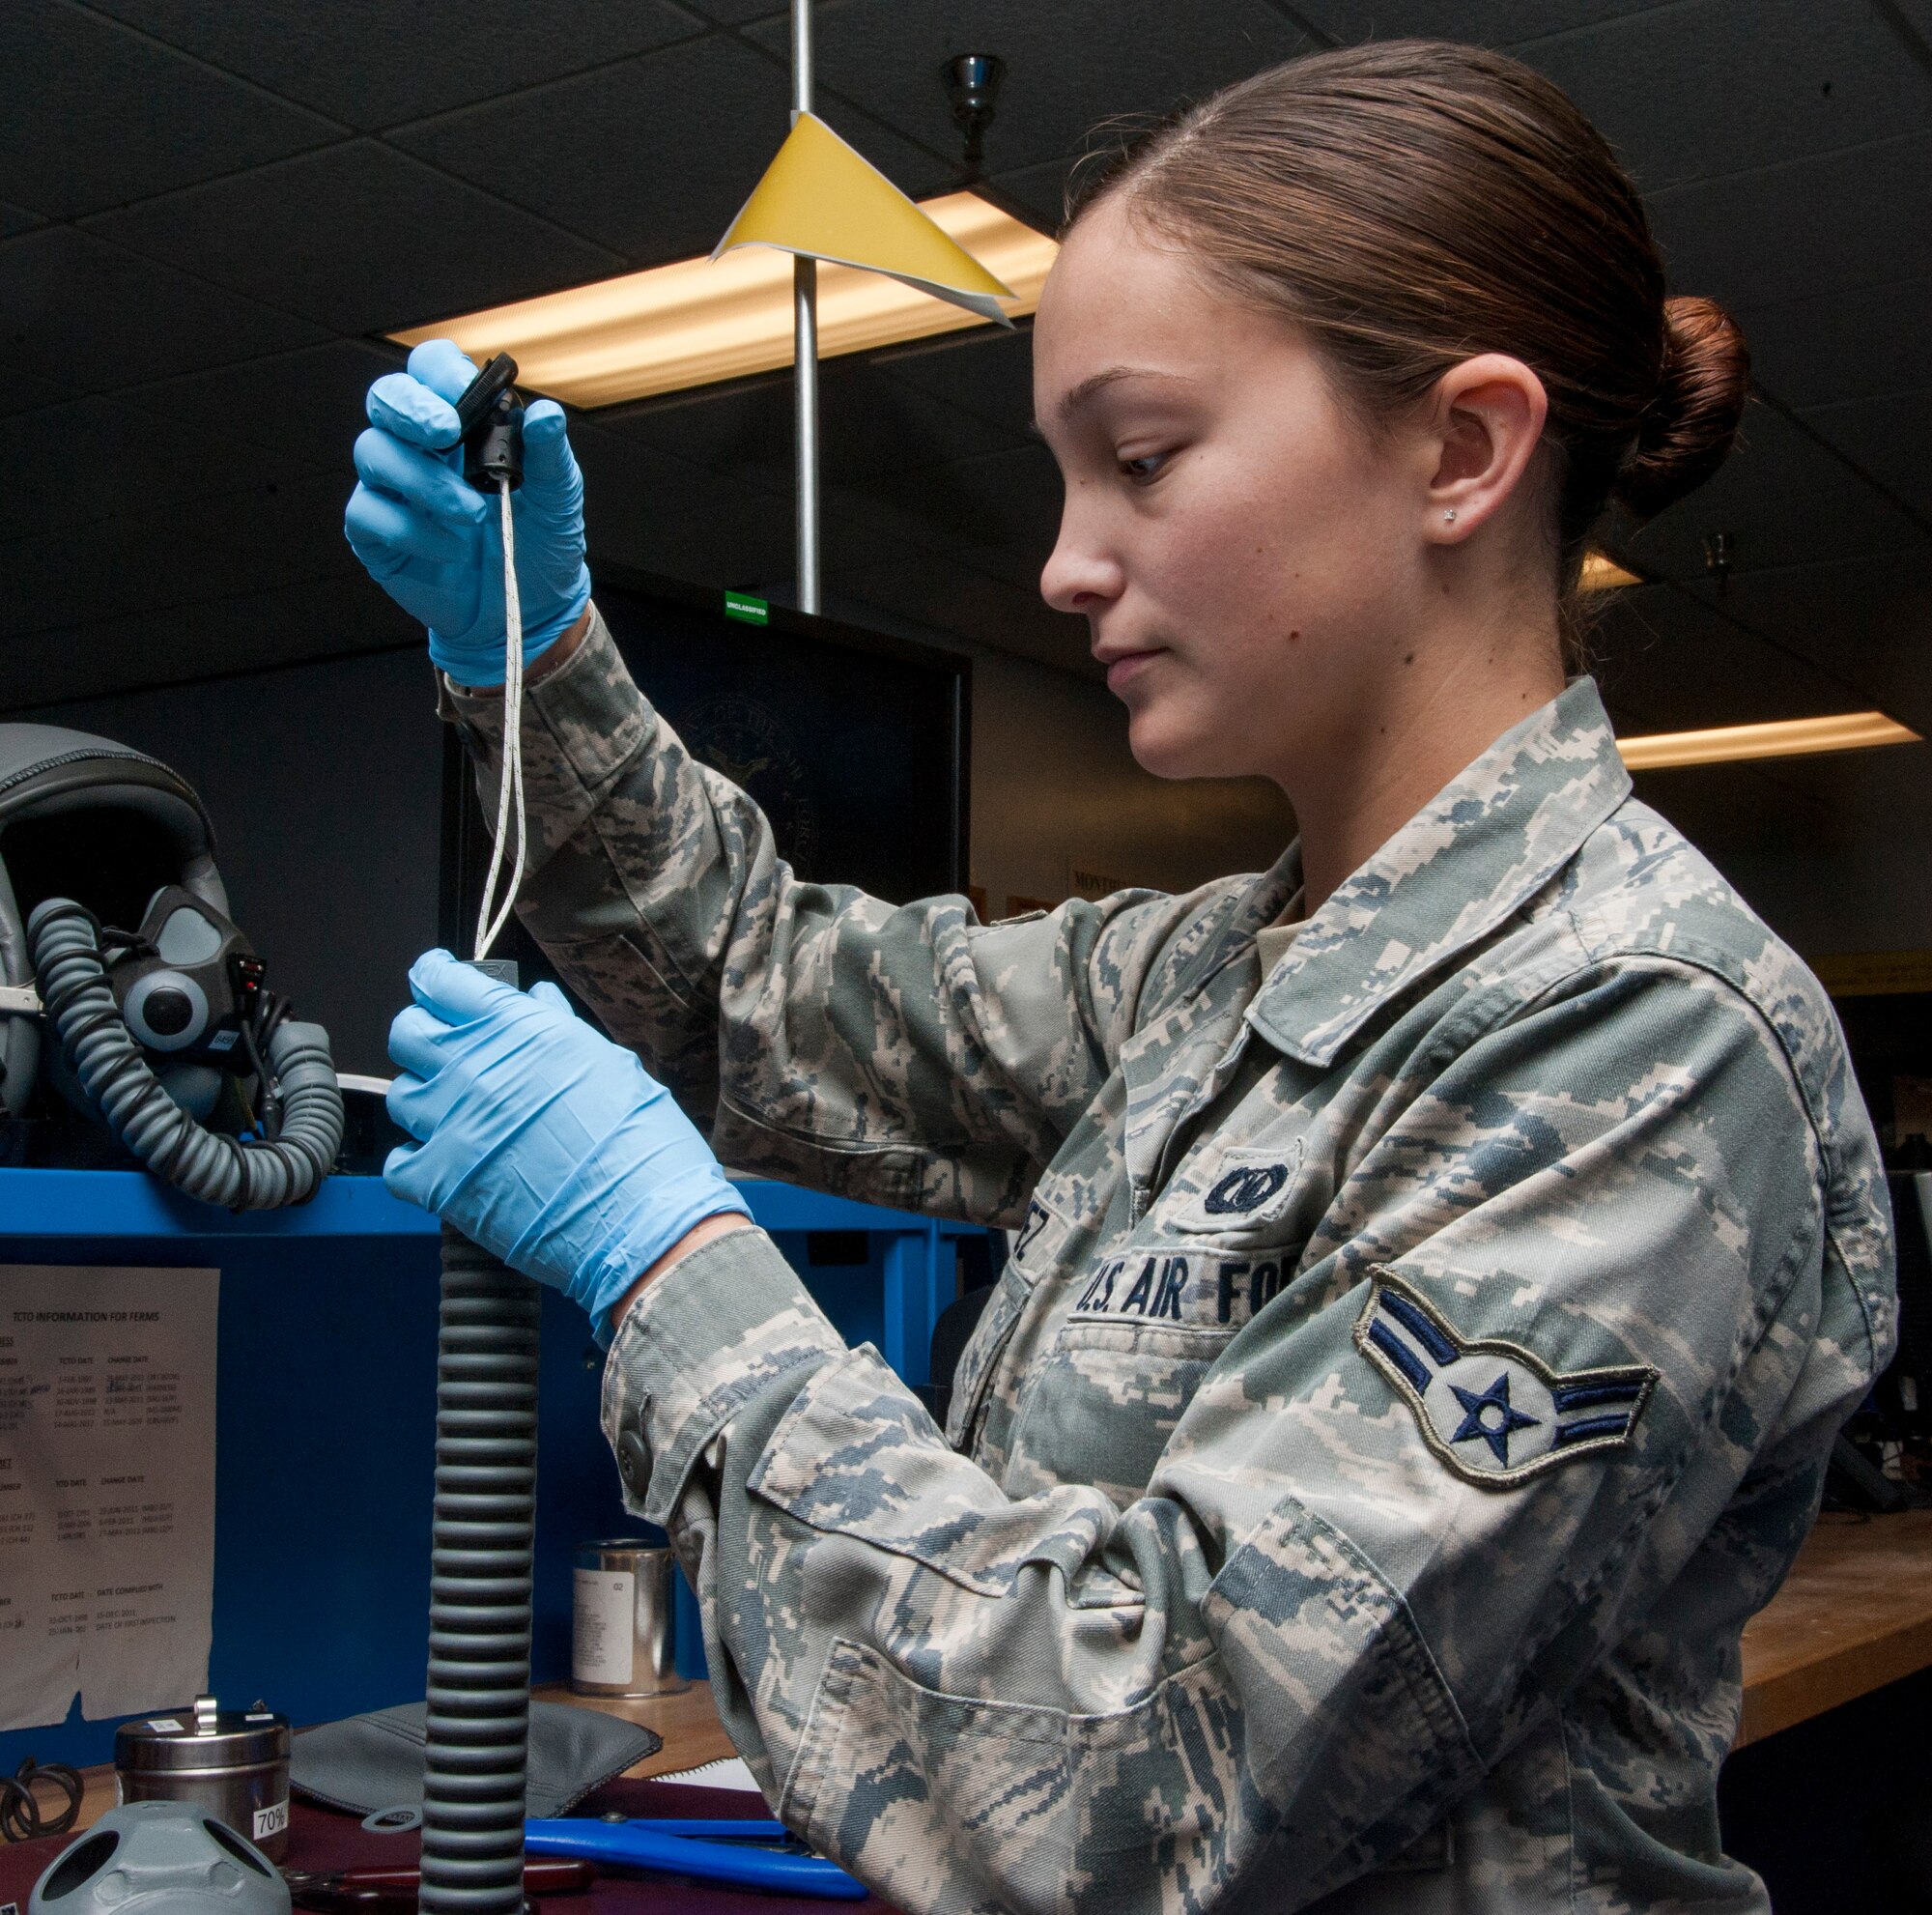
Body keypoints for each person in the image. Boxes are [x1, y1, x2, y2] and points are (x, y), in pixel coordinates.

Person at [345, 41, 1894, 1914]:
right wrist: (541, 651)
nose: (1068, 564)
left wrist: (671, 1272)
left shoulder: (1638, 1041)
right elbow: (752, 985)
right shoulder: (1213, 977)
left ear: (1464, 448)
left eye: (1142, 459)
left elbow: (1143, 1784)